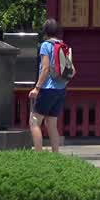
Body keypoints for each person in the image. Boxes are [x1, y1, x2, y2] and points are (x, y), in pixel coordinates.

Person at [28, 18, 69, 152]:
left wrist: (36, 88)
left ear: (45, 31)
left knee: (34, 121)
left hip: (47, 89)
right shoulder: (62, 45)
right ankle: (55, 156)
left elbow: (45, 69)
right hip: (61, 89)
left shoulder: (46, 45)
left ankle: (39, 156)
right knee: (51, 124)